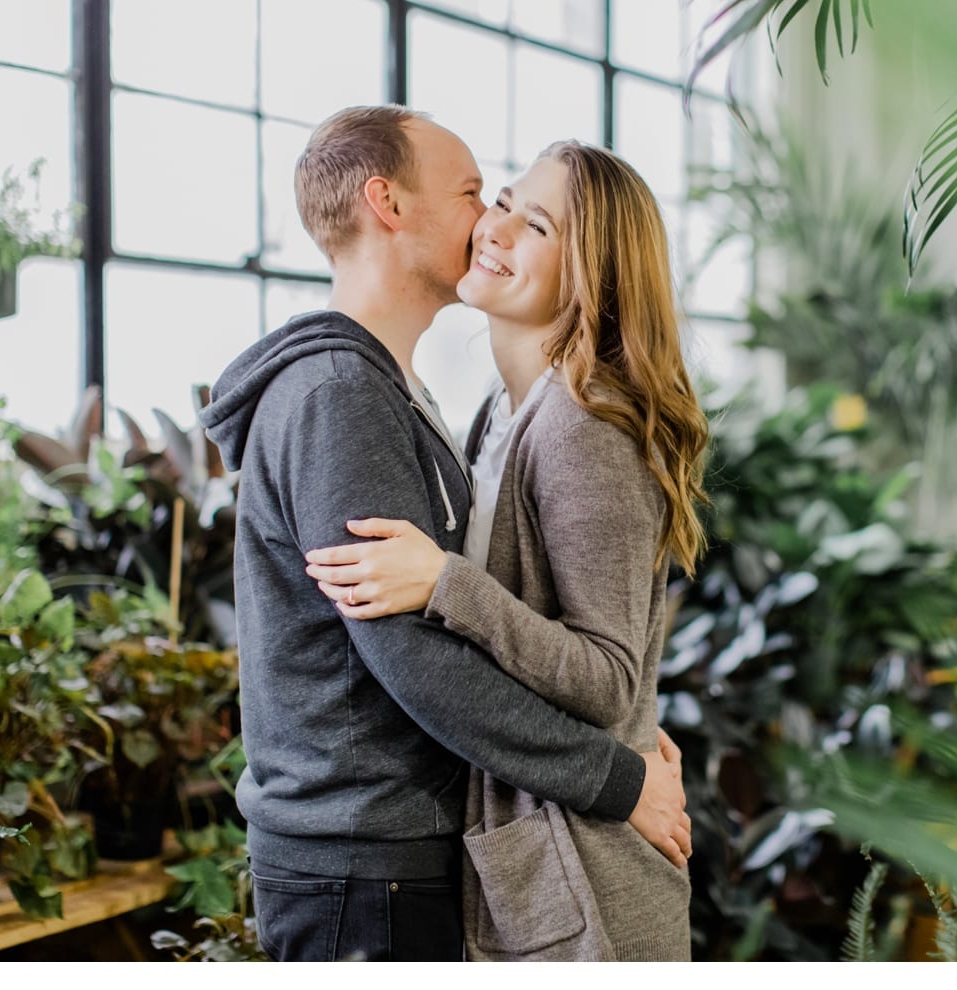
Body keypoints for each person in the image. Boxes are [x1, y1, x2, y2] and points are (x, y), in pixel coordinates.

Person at [199, 106, 691, 963]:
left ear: (591, 269)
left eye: (527, 219)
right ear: (388, 204)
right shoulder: (365, 399)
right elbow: (412, 654)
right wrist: (619, 780)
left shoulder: (552, 424)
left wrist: (445, 583)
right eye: (483, 195)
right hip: (372, 853)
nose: (489, 225)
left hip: (531, 856)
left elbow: (600, 671)